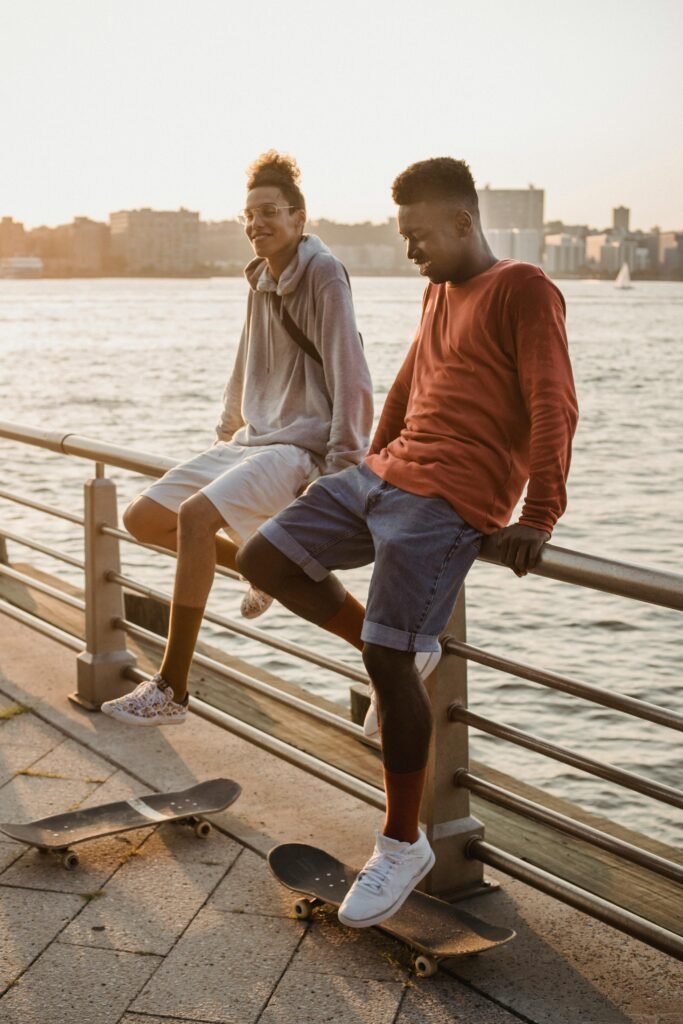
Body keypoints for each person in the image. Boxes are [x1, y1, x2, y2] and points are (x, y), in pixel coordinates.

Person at [236, 157, 579, 929]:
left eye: (419, 237)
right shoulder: (437, 290)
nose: (410, 252)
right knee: (264, 557)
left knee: (388, 660)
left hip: (452, 499)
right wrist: (367, 464)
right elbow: (403, 386)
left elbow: (553, 400)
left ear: (463, 223)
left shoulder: (523, 288)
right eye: (403, 238)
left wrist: (539, 513)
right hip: (386, 476)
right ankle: (395, 646)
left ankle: (402, 841)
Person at [101, 151, 373, 726]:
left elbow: (352, 377)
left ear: (299, 218)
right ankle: (257, 570)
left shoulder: (323, 273)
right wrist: (227, 433)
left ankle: (172, 689)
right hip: (253, 441)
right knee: (144, 518)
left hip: (299, 448)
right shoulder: (259, 279)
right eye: (248, 216)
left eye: (270, 213)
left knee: (198, 518)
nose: (256, 224)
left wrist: (340, 472)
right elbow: (245, 362)